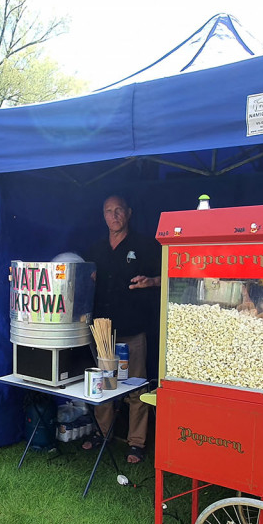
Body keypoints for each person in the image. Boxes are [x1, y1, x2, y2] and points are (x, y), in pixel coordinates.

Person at [84, 194, 161, 464]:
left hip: (133, 328)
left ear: (128, 213)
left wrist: (151, 281)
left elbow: (170, 276)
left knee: (136, 387)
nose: (114, 216)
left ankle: (137, 442)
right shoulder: (95, 249)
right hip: (102, 330)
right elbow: (82, 283)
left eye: (119, 211)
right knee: (103, 385)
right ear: (103, 215)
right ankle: (102, 433)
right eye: (108, 211)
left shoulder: (146, 245)